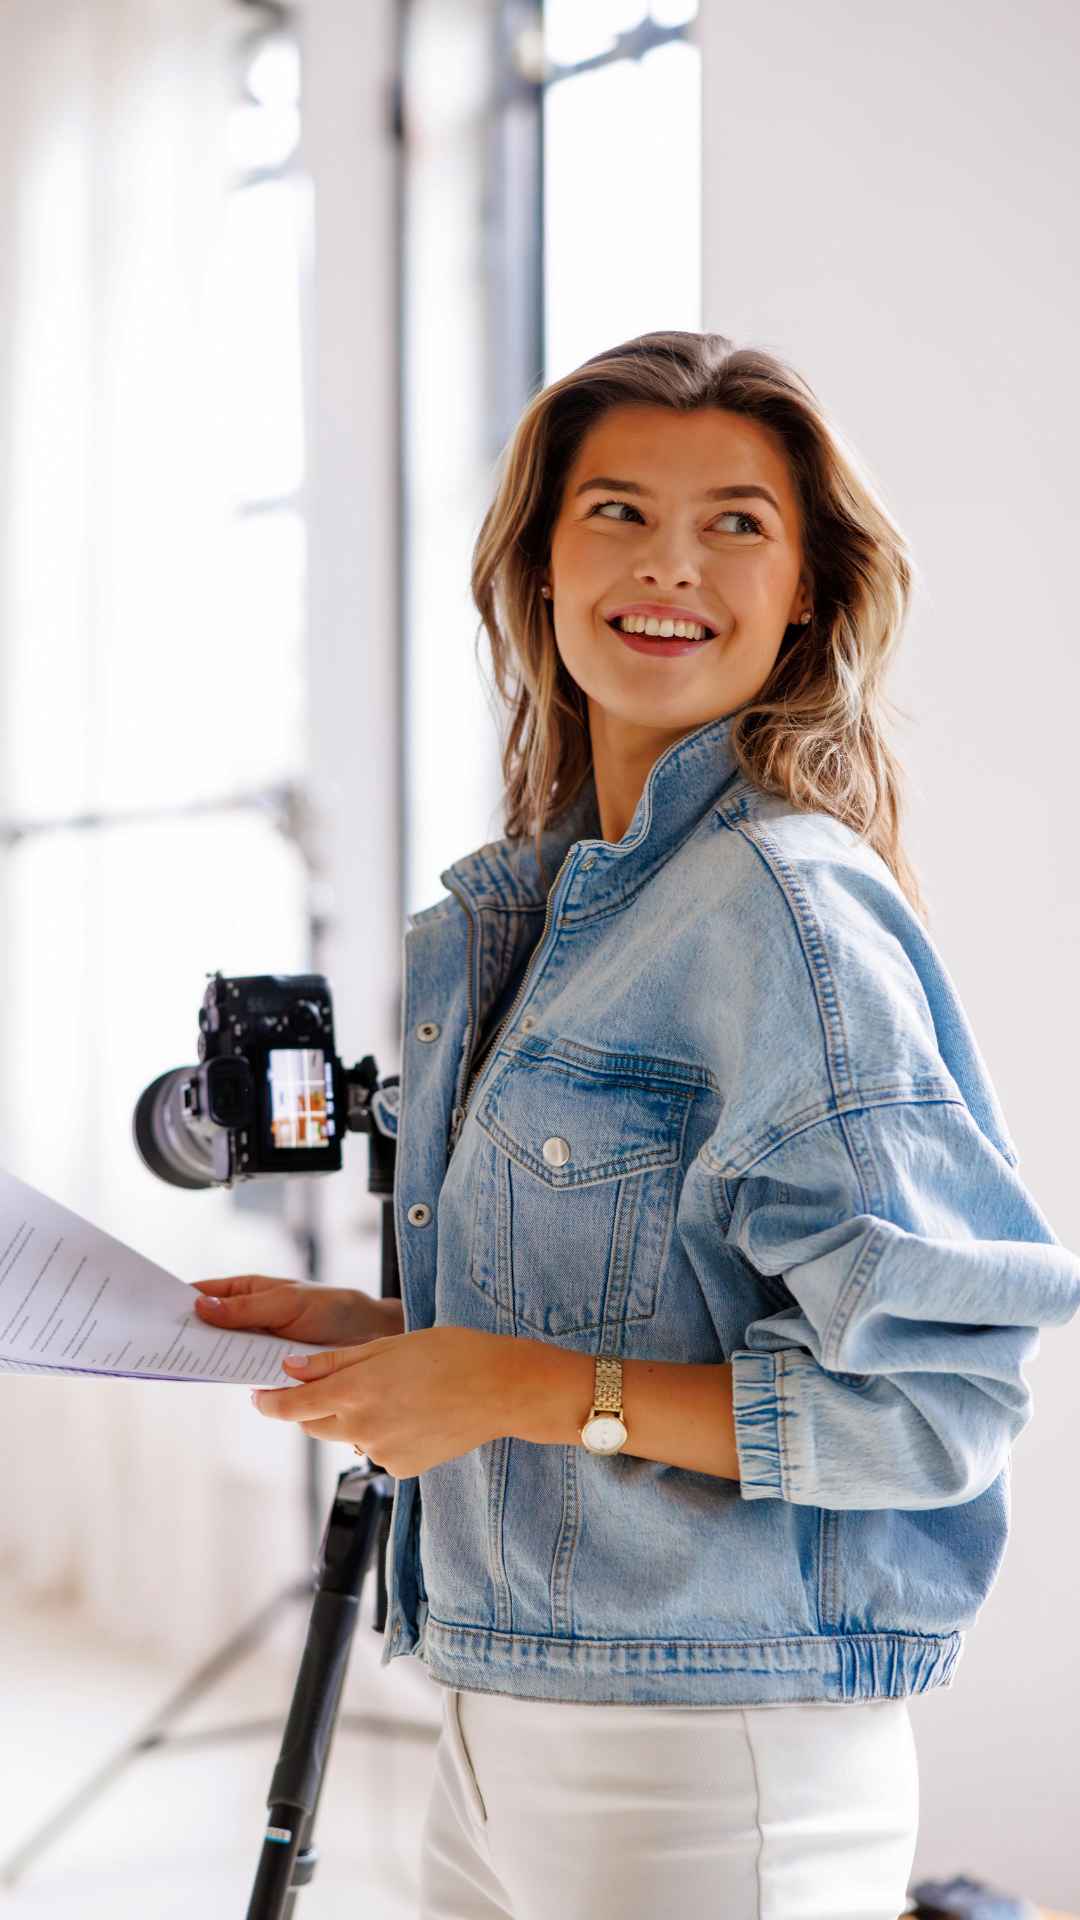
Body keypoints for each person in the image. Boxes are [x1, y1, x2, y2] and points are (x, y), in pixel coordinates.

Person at [192, 332, 1080, 1919]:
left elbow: (935, 1409)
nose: (672, 563)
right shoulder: (524, 915)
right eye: (617, 512)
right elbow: (654, 1299)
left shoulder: (787, 913)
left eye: (737, 521)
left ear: (806, 586)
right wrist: (397, 1335)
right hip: (493, 1706)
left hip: (708, 1754)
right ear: (538, 567)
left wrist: (520, 1384)